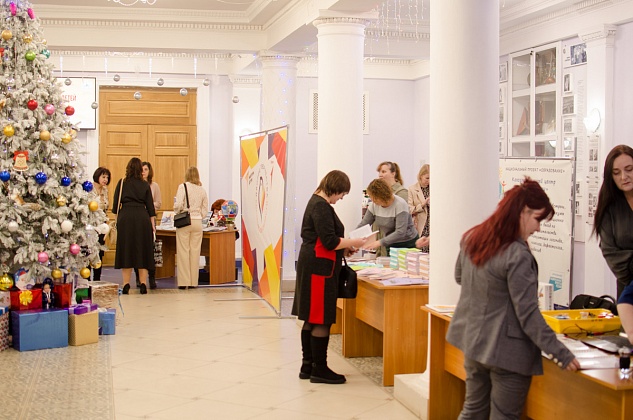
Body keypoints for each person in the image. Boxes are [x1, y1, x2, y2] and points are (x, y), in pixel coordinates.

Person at [446, 177, 580, 419]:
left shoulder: (472, 237)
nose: (538, 229)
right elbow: (528, 314)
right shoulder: (517, 254)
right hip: (507, 352)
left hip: (473, 342)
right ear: (523, 212)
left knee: (473, 410)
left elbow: (460, 277)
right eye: (538, 219)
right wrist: (561, 353)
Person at [292, 170, 367, 384]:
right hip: (320, 268)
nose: (340, 198)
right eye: (341, 194)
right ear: (335, 188)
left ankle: (308, 366)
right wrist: (354, 242)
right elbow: (330, 241)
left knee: (311, 317)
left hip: (314, 264)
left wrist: (344, 249)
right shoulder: (321, 206)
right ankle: (320, 369)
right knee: (321, 318)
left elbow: (325, 240)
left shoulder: (316, 202)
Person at [593, 145, 633, 299]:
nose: (623, 177)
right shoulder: (609, 205)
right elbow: (610, 251)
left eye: (629, 169)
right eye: (616, 173)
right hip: (628, 290)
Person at [112, 157, 156, 295]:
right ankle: (143, 283)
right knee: (143, 250)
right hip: (142, 217)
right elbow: (150, 207)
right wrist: (153, 225)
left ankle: (126, 284)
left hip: (125, 217)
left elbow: (115, 205)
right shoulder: (145, 185)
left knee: (126, 250)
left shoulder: (122, 183)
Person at [358, 178, 418, 254]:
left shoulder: (400, 204)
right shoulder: (373, 206)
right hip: (390, 242)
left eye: (374, 197)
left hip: (407, 243)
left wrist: (379, 242)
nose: (372, 200)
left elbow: (400, 232)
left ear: (382, 195)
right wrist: (351, 240)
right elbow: (364, 224)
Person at [174, 166, 208, 290]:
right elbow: (205, 209)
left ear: (187, 175)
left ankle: (184, 282)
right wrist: (198, 215)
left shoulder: (183, 187)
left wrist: (177, 210)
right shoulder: (202, 190)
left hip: (185, 222)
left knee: (183, 251)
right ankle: (194, 282)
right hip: (198, 222)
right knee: (195, 252)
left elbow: (178, 205)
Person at [134, 161, 162, 289]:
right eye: (142, 169)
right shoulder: (136, 184)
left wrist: (148, 205)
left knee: (150, 249)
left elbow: (158, 203)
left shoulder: (154, 186)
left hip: (149, 218)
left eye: (146, 169)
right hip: (137, 219)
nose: (143, 172)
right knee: (137, 249)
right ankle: (138, 278)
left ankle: (152, 277)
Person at [91, 166, 111, 281]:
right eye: (103, 177)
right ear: (97, 176)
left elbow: (106, 206)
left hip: (102, 224)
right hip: (91, 224)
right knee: (89, 251)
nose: (105, 180)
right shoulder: (89, 188)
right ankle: (87, 280)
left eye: (107, 177)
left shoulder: (105, 190)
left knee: (100, 251)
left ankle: (97, 279)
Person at [408, 164, 430, 252]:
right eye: (427, 178)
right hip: (420, 225)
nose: (429, 181)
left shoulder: (435, 188)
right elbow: (410, 209)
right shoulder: (412, 189)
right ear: (421, 176)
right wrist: (423, 204)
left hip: (432, 224)